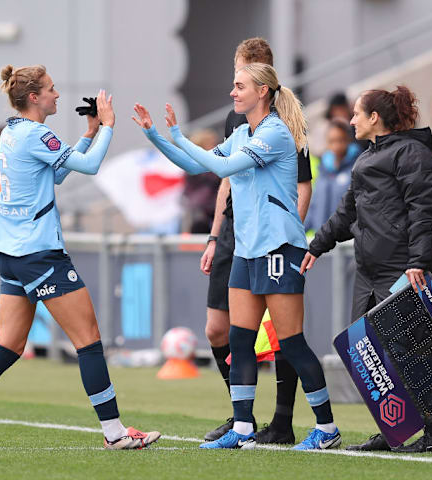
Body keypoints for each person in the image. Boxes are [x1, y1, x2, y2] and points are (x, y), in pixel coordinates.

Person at [0, 64, 160, 450]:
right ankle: (115, 433)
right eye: (51, 90)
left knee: (9, 345)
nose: (57, 95)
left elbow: (54, 175)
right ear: (34, 97)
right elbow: (87, 167)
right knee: (88, 341)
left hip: (11, 252)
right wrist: (107, 126)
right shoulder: (36, 133)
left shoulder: (11, 133)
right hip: (38, 253)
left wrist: (87, 136)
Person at [133, 62, 340, 451]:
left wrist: (178, 133)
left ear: (263, 91)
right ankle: (243, 428)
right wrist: (155, 136)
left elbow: (223, 167)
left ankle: (327, 428)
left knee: (292, 344)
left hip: (279, 248)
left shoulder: (276, 133)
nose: (233, 92)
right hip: (246, 251)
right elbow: (196, 165)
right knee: (240, 340)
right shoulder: (243, 132)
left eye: (240, 85)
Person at [299, 86, 432, 453]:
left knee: (412, 351)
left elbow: (422, 212)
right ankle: (394, 428)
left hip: (400, 268)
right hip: (368, 270)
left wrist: (418, 262)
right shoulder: (366, 158)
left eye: (356, 114)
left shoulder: (412, 154)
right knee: (368, 353)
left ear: (374, 118)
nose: (351, 121)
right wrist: (317, 245)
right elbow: (348, 213)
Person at [192, 37, 314, 446]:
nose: (234, 88)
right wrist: (213, 236)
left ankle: (284, 420)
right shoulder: (237, 121)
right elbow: (226, 177)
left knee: (285, 337)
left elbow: (302, 185)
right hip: (234, 235)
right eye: (235, 77)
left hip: (271, 239)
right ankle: (240, 417)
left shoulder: (285, 124)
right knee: (221, 331)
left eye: (242, 80)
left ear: (264, 81)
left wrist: (283, 234)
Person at [304, 119, 360, 232]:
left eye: (341, 140)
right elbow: (314, 207)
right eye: (332, 141)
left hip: (346, 243)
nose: (337, 146)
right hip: (321, 241)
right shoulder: (323, 170)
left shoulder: (357, 168)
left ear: (349, 140)